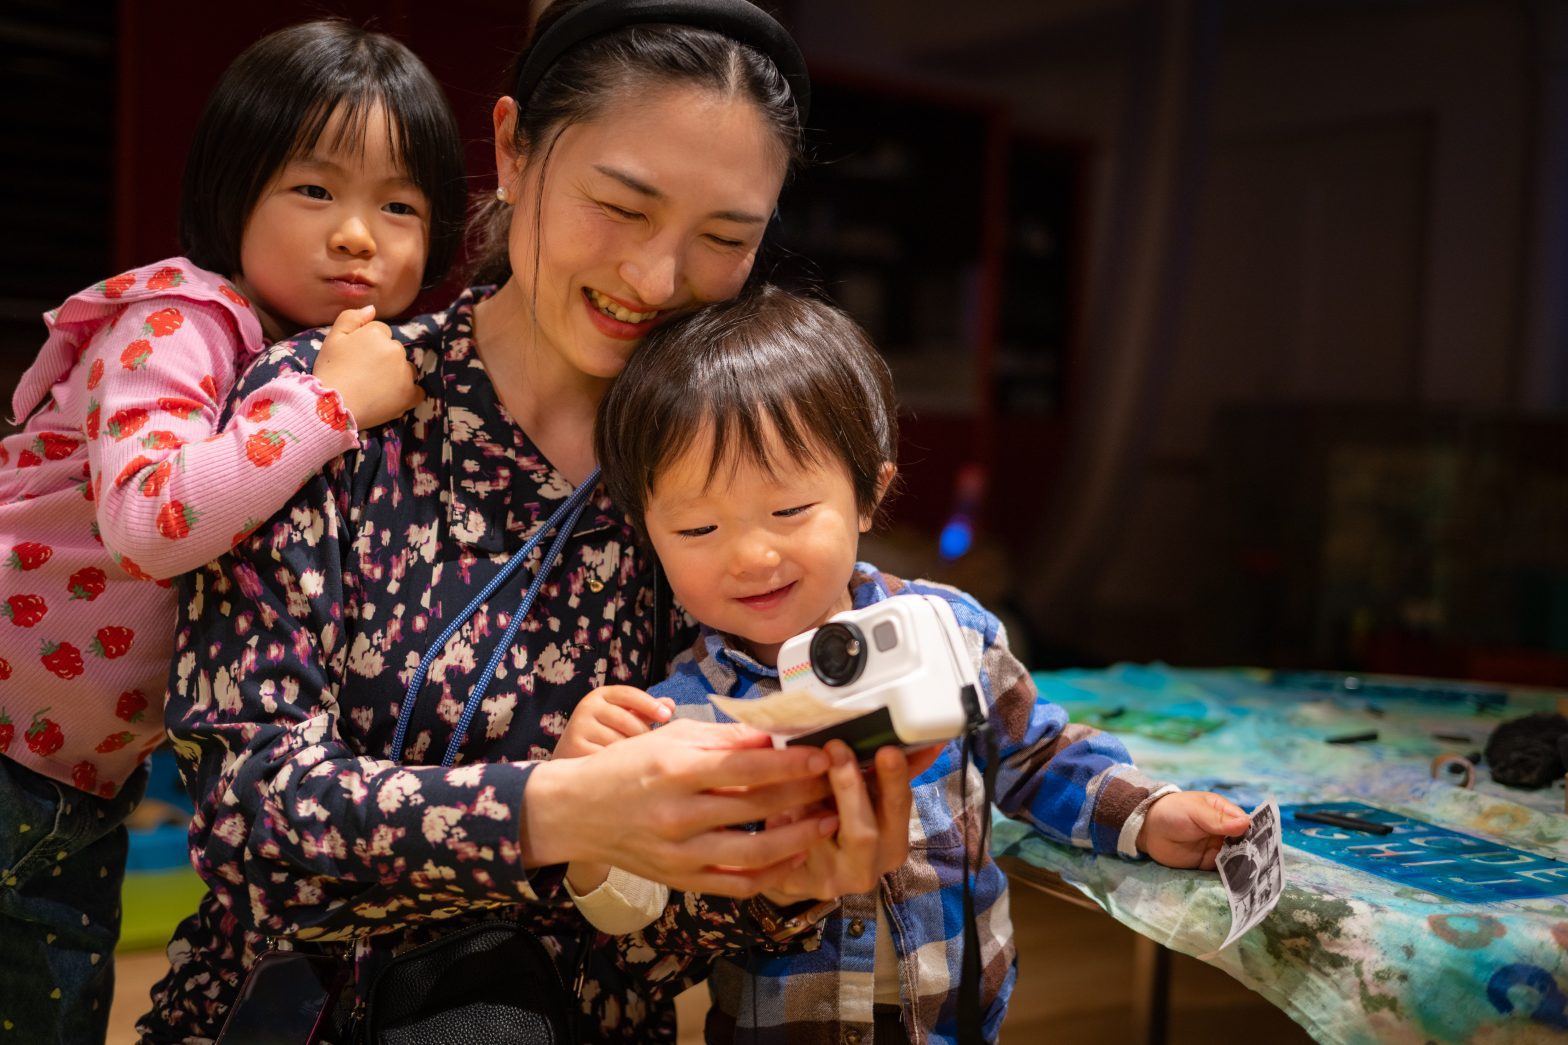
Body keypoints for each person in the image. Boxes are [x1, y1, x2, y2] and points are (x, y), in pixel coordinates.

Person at [139, 2, 925, 1041]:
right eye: (621, 206)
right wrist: (556, 810)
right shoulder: (329, 406)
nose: (654, 280)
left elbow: (664, 942)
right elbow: (248, 812)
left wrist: (789, 878)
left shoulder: (720, 497)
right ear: (512, 149)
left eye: (723, 238)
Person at [561, 284, 1255, 1043]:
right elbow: (632, 919)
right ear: (647, 534)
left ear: (869, 493)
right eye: (697, 527)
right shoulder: (679, 714)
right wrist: (589, 824)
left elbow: (1036, 754)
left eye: (790, 511)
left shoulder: (947, 628)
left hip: (961, 1018)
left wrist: (1147, 813)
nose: (751, 555)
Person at [0, 20, 460, 1042]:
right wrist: (331, 405)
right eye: (315, 190)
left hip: (76, 773)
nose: (358, 234)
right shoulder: (182, 318)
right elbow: (150, 518)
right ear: (231, 186)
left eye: (399, 205)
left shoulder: (297, 355)